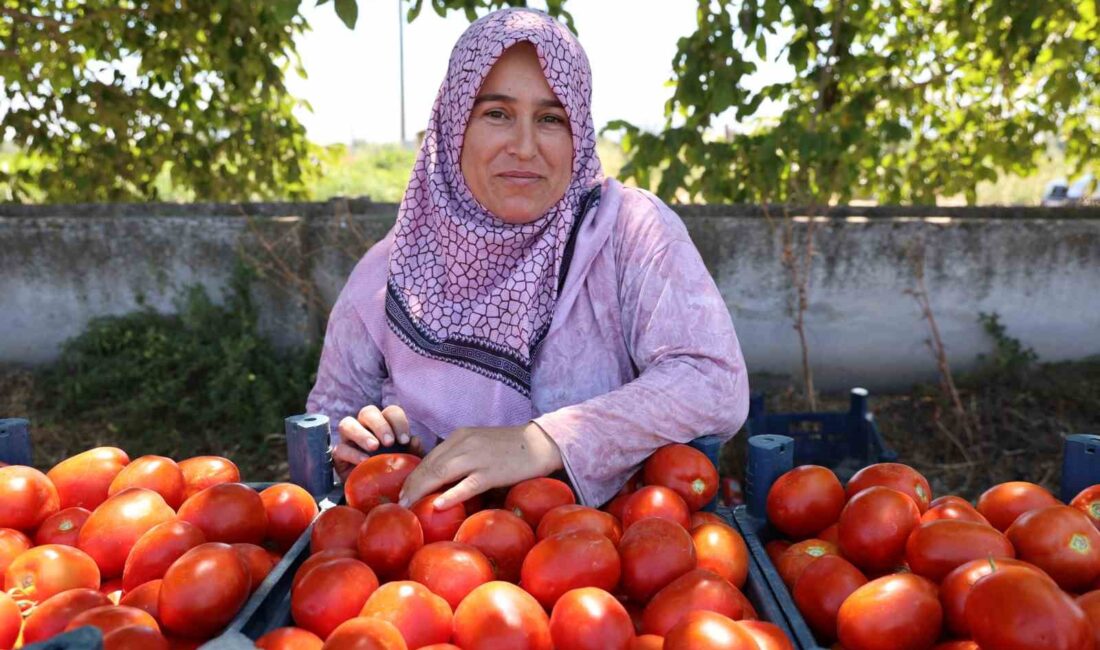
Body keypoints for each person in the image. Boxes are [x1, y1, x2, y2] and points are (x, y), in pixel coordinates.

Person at [306, 8, 749, 511]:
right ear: (455, 125)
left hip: (602, 562)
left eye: (550, 119)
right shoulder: (389, 274)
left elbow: (712, 380)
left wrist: (544, 441)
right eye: (496, 113)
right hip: (434, 569)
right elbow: (329, 423)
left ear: (578, 133)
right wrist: (372, 451)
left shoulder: (628, 233)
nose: (524, 146)